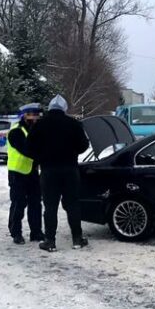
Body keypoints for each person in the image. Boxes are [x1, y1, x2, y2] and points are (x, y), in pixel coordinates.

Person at [26, 95, 90, 252]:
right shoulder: (74, 124)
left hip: (49, 171)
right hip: (70, 169)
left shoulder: (40, 124)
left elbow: (29, 146)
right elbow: (83, 145)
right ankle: (77, 239)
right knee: (73, 204)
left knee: (50, 206)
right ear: (65, 108)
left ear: (50, 108)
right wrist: (72, 151)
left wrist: (41, 157)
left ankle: (50, 241)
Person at [7, 103, 44, 245]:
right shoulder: (16, 131)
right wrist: (44, 156)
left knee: (35, 203)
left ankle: (36, 232)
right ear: (25, 115)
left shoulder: (33, 129)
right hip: (17, 173)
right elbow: (26, 150)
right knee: (18, 203)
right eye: (33, 115)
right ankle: (16, 232)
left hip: (32, 172)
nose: (36, 118)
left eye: (37, 115)